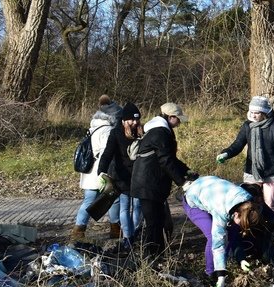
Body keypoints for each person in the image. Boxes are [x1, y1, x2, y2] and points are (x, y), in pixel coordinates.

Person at [131, 102, 195, 257]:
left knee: (158, 221)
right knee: (153, 223)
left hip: (149, 184)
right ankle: (150, 257)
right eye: (178, 119)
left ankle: (158, 254)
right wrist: (183, 182)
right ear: (170, 117)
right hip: (148, 184)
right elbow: (166, 160)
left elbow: (170, 159)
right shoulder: (160, 133)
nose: (179, 122)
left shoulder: (158, 130)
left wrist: (186, 170)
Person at [180, 176, 259, 287]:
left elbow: (235, 234)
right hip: (194, 199)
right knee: (212, 236)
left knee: (233, 230)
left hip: (210, 187)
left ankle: (227, 262)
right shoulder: (221, 211)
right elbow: (218, 244)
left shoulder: (248, 202)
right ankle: (210, 273)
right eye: (241, 223)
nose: (242, 227)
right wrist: (221, 276)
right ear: (236, 214)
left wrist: (241, 259)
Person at [217, 96, 274, 211]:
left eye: (256, 113)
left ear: (264, 113)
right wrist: (226, 154)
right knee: (248, 204)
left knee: (269, 204)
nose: (253, 115)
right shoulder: (247, 126)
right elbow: (238, 144)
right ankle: (250, 227)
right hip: (252, 171)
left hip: (272, 172)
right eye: (251, 112)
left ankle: (270, 228)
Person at [73, 95, 122, 240]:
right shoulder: (107, 130)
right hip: (101, 171)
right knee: (113, 198)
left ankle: (79, 229)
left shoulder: (94, 126)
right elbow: (107, 153)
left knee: (88, 200)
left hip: (90, 172)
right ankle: (115, 228)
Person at [96, 102, 144, 248]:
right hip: (122, 177)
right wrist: (101, 172)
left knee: (137, 206)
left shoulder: (142, 132)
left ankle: (135, 233)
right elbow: (107, 155)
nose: (135, 122)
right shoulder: (116, 133)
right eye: (131, 120)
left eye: (137, 119)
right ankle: (128, 237)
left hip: (138, 176)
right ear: (124, 120)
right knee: (125, 207)